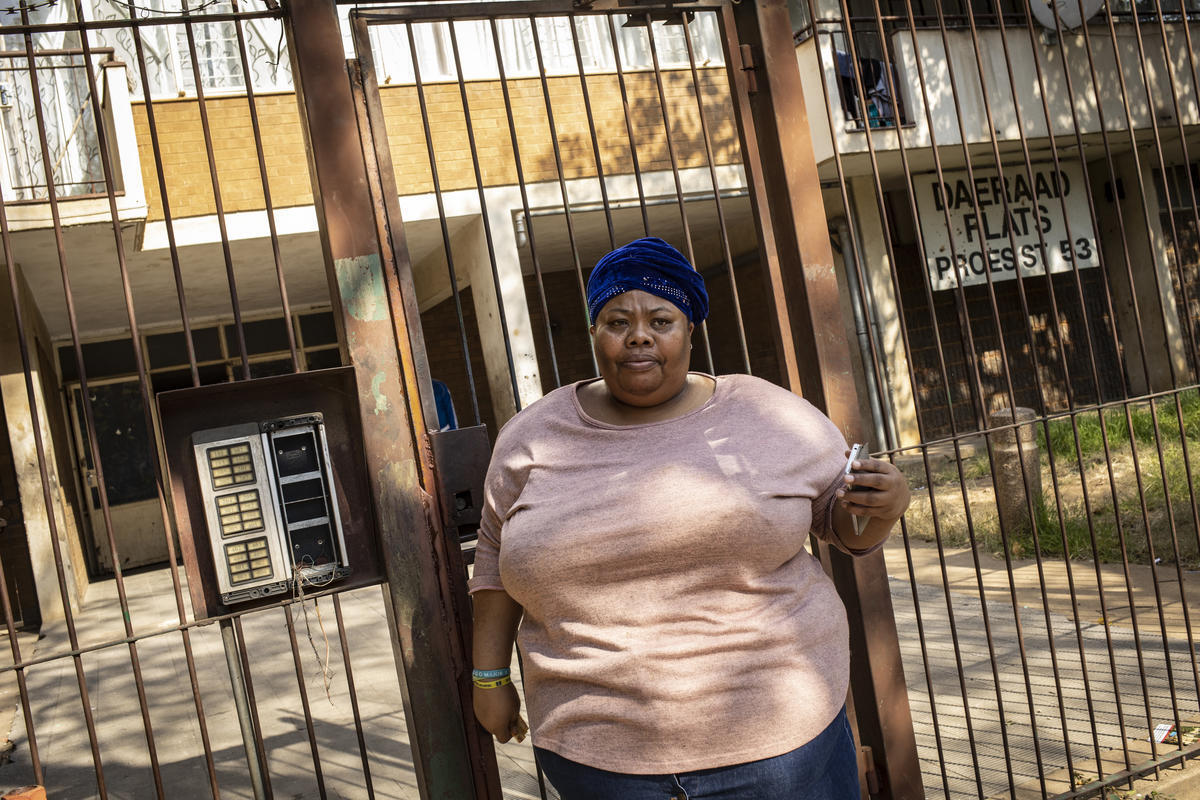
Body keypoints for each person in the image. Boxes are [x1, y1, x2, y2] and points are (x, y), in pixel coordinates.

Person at [468, 237, 911, 799]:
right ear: (594, 333)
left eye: (661, 319)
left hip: (780, 743)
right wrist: (489, 677)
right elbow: (492, 557)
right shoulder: (531, 436)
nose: (638, 335)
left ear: (691, 331)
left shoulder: (764, 413)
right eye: (616, 320)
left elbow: (843, 529)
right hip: (597, 752)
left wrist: (882, 508)